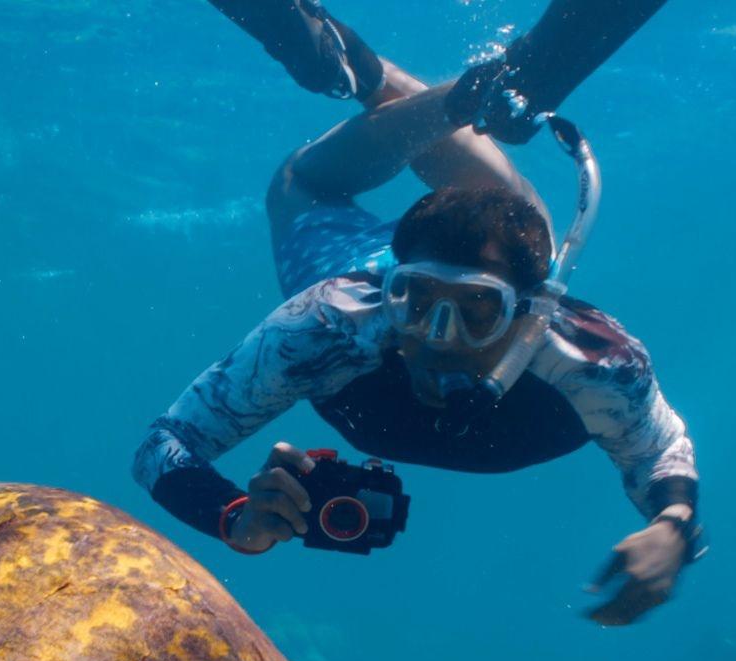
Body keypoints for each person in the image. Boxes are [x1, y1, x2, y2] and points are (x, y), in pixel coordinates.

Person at [133, 0, 696, 626]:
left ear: (529, 314)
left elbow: (661, 452)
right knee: (313, 186)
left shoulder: (592, 362)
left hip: (478, 266)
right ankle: (459, 98)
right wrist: (235, 517)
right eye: (416, 300)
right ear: (389, 290)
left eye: (478, 310)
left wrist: (672, 526)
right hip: (346, 260)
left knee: (506, 218)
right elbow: (164, 444)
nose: (437, 336)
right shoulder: (328, 326)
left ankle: (389, 80)